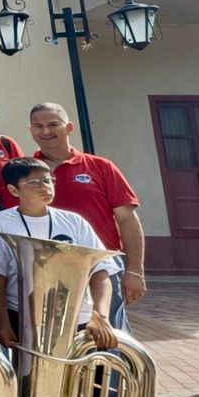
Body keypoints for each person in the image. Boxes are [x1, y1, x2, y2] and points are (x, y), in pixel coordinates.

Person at [0, 158, 119, 353]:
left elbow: (101, 270)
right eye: (34, 183)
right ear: (13, 190)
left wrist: (101, 315)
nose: (44, 186)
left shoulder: (74, 221)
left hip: (78, 317)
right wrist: (2, 322)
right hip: (22, 317)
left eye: (47, 180)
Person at [28, 103, 146, 326]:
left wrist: (134, 271)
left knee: (107, 336)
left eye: (53, 124)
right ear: (30, 130)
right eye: (38, 126)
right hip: (48, 271)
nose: (45, 131)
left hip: (102, 268)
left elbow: (127, 219)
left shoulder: (101, 167)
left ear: (69, 127)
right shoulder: (25, 171)